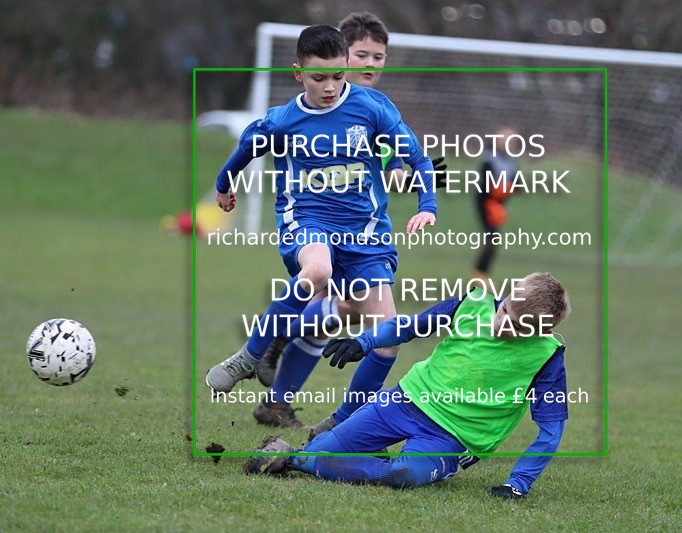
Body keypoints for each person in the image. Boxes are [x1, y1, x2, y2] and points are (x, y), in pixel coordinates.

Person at [204, 26, 437, 404]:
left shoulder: (373, 107)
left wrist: (427, 206)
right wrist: (223, 185)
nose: (329, 86)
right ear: (298, 73)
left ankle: (340, 426)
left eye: (338, 76)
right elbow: (248, 145)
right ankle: (248, 357)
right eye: (318, 77)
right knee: (318, 271)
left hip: (367, 232)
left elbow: (419, 158)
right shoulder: (285, 120)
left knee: (388, 338)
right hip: (308, 220)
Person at [244, 272, 572, 500]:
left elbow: (550, 432)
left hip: (451, 437)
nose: (501, 324)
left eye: (516, 326)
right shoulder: (473, 303)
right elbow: (411, 326)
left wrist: (518, 483)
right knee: (322, 450)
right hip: (403, 401)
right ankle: (331, 455)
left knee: (403, 475)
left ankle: (295, 459)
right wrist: (364, 341)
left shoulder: (547, 357)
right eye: (504, 311)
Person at [473, 126, 520, 280]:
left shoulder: (511, 162)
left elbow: (517, 184)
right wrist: (496, 191)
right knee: (492, 237)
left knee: (493, 238)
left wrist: (508, 189)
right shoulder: (490, 159)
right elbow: (484, 185)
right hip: (486, 203)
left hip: (498, 205)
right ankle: (480, 274)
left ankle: (481, 273)